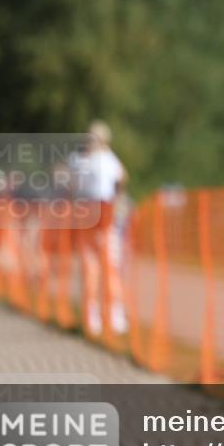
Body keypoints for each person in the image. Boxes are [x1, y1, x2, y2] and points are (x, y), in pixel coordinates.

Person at [68, 120, 128, 336]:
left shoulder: (81, 160)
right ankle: (109, 314)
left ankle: (104, 314)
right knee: (104, 267)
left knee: (98, 267)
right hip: (100, 217)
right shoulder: (106, 160)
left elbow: (72, 187)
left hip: (94, 216)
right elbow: (122, 178)